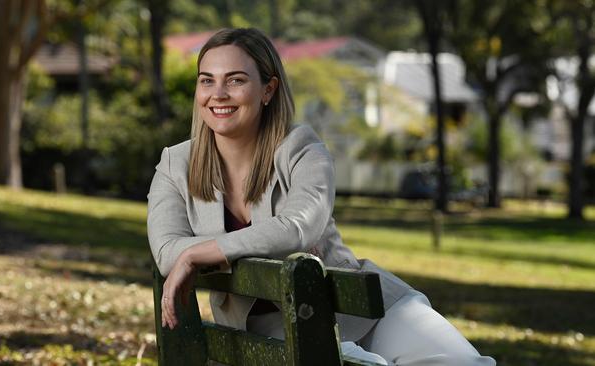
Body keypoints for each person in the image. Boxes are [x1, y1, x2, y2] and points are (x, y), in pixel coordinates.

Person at [147, 27, 496, 366]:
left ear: (268, 90)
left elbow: (300, 227)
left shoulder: (300, 147)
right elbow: (166, 252)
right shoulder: (175, 164)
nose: (218, 93)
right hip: (276, 328)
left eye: (236, 80)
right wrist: (262, 240)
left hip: (361, 306)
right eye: (207, 79)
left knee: (466, 362)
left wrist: (200, 252)